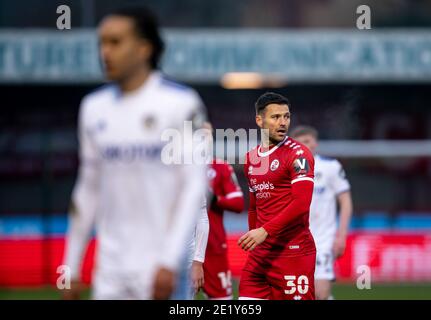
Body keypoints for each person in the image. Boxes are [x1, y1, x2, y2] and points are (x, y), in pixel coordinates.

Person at [62, 6, 207, 300]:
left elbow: (193, 187)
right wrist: (71, 265)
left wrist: (169, 261)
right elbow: (87, 189)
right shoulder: (93, 108)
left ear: (144, 48)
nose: (105, 52)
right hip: (110, 267)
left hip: (160, 266)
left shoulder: (181, 103)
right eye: (102, 42)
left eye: (116, 42)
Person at [238, 92, 316, 300]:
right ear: (259, 120)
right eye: (275, 117)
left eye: (286, 116)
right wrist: (254, 234)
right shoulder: (251, 158)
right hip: (260, 256)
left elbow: (301, 204)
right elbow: (255, 206)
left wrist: (264, 231)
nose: (283, 123)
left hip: (293, 253)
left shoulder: (298, 154)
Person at [291, 125, 353, 300]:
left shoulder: (330, 167)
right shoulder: (288, 170)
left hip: (323, 240)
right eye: (301, 143)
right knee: (299, 294)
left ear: (315, 143)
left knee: (320, 292)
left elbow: (346, 201)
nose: (305, 146)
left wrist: (341, 235)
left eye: (308, 142)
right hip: (296, 241)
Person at [202, 123, 245, 300]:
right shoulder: (174, 167)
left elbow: (238, 202)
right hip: (183, 246)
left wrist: (215, 199)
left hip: (213, 244)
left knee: (220, 299)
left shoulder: (220, 167)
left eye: (209, 134)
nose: (205, 138)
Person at [171, 197, 209, 300]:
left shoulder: (191, 181)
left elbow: (202, 218)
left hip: (184, 262)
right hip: (150, 258)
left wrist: (198, 263)